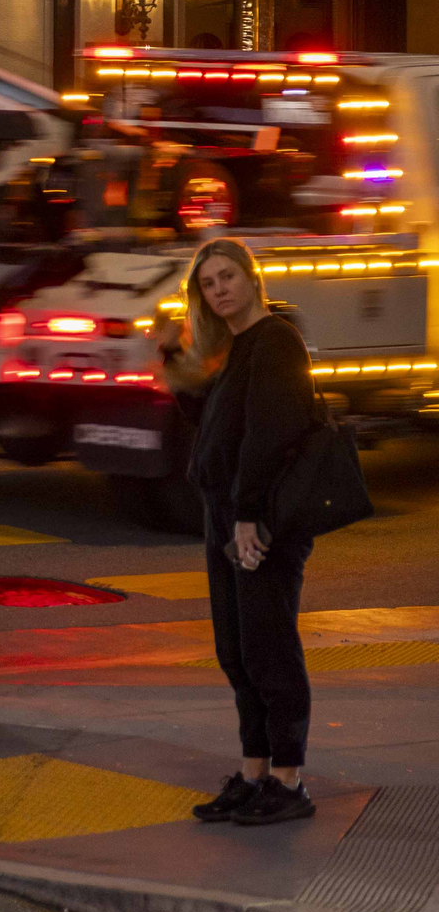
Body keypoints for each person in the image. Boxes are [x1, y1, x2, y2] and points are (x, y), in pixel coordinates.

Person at [155, 235, 322, 826]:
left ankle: (288, 781)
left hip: (261, 521)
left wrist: (249, 515)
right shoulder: (237, 348)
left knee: (269, 647)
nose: (219, 289)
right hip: (227, 515)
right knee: (236, 650)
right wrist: (176, 370)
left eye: (227, 277)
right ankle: (254, 774)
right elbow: (219, 431)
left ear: (252, 279)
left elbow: (268, 436)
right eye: (208, 283)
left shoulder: (276, 341)